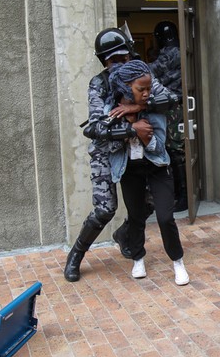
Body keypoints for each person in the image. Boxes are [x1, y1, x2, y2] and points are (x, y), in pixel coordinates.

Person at [63, 27, 178, 282]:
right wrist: (130, 128)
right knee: (105, 209)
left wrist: (139, 105)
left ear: (131, 54)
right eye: (112, 60)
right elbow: (93, 127)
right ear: (104, 61)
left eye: (123, 58)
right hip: (108, 151)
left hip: (141, 151)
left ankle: (125, 234)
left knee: (149, 205)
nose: (119, 64)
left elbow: (170, 99)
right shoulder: (99, 83)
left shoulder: (142, 75)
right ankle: (76, 255)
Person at [107, 60, 189, 286]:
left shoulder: (155, 110)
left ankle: (178, 261)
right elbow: (109, 146)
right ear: (126, 88)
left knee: (165, 216)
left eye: (148, 89)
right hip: (129, 169)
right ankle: (138, 258)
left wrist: (145, 136)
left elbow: (159, 148)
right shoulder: (112, 110)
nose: (146, 93)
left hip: (157, 166)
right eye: (140, 90)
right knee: (135, 216)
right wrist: (129, 130)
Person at [148, 21, 187, 212]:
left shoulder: (170, 53)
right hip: (174, 105)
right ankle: (181, 194)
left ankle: (184, 196)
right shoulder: (178, 51)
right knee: (174, 150)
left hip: (173, 107)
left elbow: (150, 71)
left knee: (175, 151)